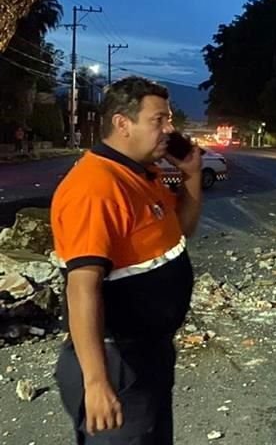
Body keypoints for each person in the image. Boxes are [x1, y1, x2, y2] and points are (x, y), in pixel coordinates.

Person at [50, 76, 203, 444]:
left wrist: (192, 176)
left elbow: (181, 230)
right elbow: (81, 288)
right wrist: (97, 382)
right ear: (122, 123)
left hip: (148, 353)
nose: (170, 129)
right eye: (159, 120)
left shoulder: (140, 175)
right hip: (116, 360)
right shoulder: (95, 188)